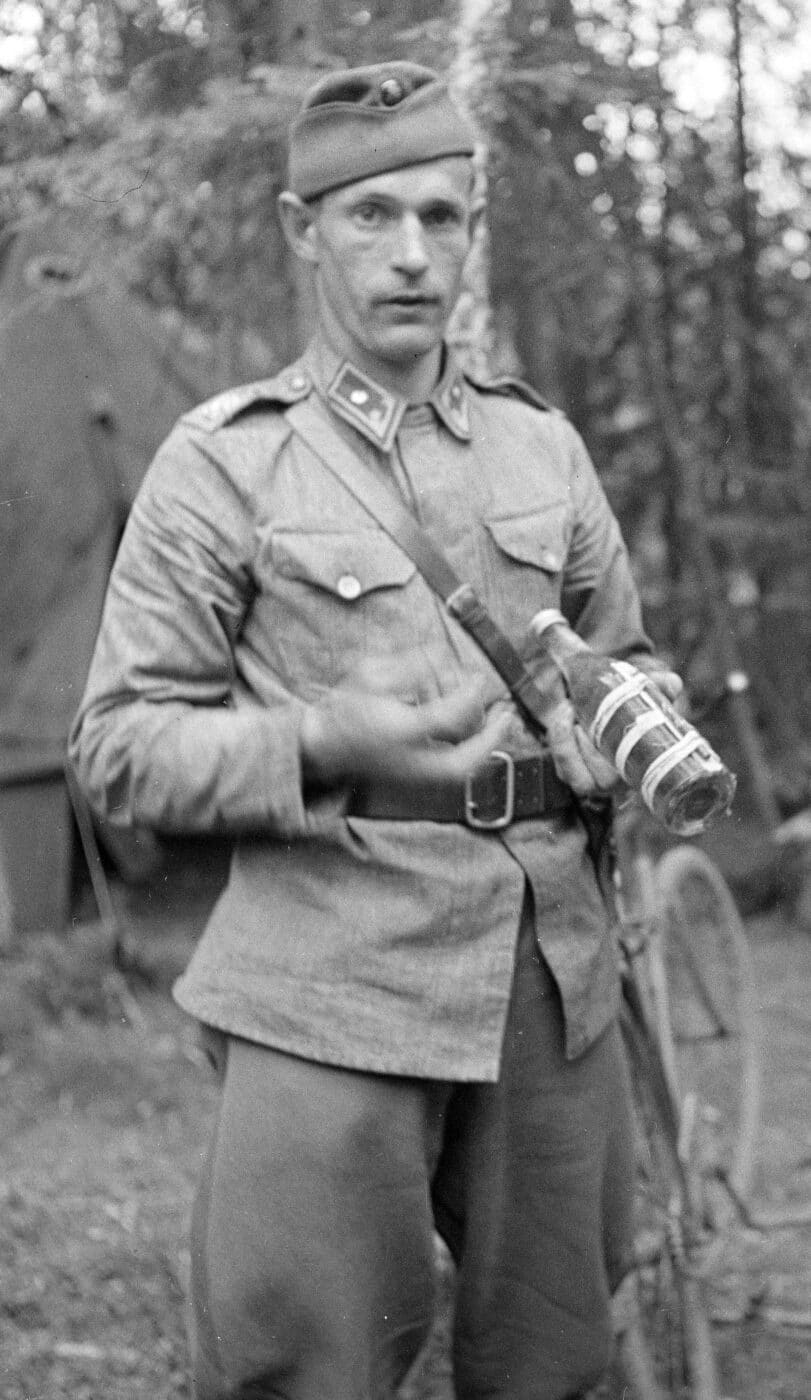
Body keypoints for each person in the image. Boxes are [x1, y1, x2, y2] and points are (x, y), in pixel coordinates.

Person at [70, 62, 682, 1400]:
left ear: (471, 226)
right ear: (303, 230)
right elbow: (118, 745)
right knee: (310, 1366)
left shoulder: (545, 452)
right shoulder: (225, 463)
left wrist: (624, 722)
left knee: (555, 1357)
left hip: (548, 975)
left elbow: (629, 657)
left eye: (441, 216)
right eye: (370, 217)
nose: (413, 255)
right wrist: (326, 736)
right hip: (330, 978)